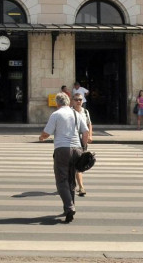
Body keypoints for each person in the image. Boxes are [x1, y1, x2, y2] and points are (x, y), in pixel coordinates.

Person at [39, 92, 89, 223]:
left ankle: (69, 207)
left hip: (62, 149)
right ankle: (68, 210)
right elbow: (86, 132)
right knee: (71, 180)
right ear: (68, 102)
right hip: (77, 149)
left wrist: (41, 137)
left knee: (62, 181)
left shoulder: (56, 114)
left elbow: (46, 133)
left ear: (57, 103)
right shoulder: (76, 114)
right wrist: (83, 148)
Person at [71, 93, 93, 196]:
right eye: (76, 100)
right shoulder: (70, 112)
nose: (78, 101)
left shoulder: (85, 112)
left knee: (79, 164)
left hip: (83, 139)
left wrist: (90, 135)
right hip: (74, 139)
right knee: (77, 164)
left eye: (80, 99)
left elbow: (89, 124)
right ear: (73, 101)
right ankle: (80, 186)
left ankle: (78, 185)